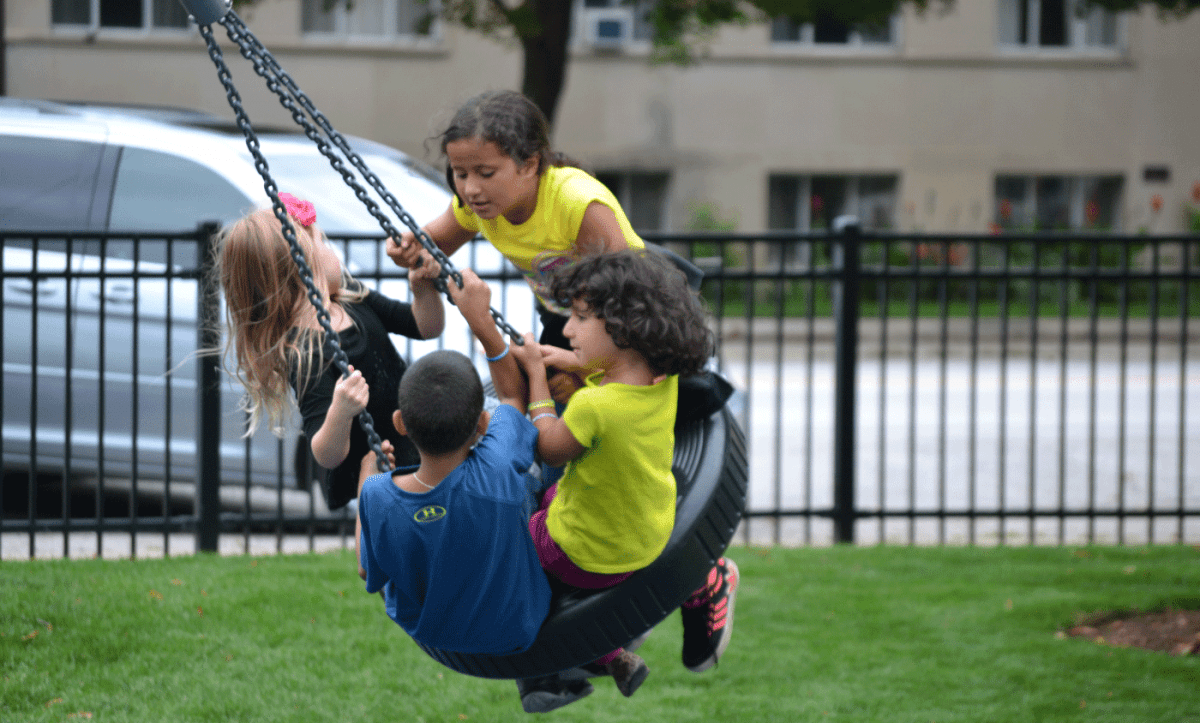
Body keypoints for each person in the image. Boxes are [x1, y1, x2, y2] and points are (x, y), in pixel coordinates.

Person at [354, 269, 608, 713]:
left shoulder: (378, 495)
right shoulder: (495, 470)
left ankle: (550, 676)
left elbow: (365, 571)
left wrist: (367, 472)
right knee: (541, 466)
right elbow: (511, 398)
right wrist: (481, 323)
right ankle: (565, 660)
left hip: (434, 635)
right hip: (519, 626)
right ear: (482, 427)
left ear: (400, 424)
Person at [523, 249, 740, 676]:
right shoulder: (663, 380)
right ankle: (678, 599)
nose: (566, 328)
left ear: (624, 328)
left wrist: (535, 376)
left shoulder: (593, 406)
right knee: (553, 494)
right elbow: (618, 379)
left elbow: (548, 446)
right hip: (647, 535)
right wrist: (572, 361)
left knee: (516, 538)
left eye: (581, 318)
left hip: (582, 555)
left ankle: (604, 651)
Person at [217, 193, 444, 511]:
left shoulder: (353, 300)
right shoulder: (305, 351)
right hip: (376, 463)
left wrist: (424, 290)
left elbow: (427, 327)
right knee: (382, 539)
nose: (331, 248)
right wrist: (341, 410)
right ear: (301, 269)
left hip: (413, 443)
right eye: (322, 242)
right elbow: (325, 453)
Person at [385, 88, 643, 353]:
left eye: (485, 173)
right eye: (460, 174)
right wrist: (408, 248)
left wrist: (578, 365)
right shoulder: (475, 205)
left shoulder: (577, 204)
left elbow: (624, 292)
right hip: (563, 315)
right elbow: (433, 244)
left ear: (529, 165)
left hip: (627, 316)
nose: (471, 188)